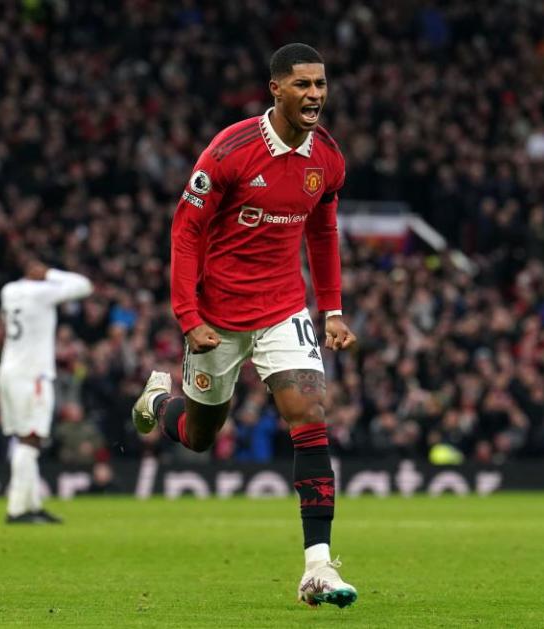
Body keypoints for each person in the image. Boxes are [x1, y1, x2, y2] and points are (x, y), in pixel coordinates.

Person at [131, 43, 358, 608]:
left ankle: (318, 567)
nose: (315, 95)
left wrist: (331, 308)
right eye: (303, 85)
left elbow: (322, 233)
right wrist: (189, 318)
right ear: (275, 88)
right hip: (217, 314)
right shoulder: (229, 151)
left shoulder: (326, 157)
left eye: (321, 85)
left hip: (283, 307)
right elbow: (184, 232)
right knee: (201, 437)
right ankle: (160, 402)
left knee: (308, 412)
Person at [0, 258, 93, 523]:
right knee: (30, 438)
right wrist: (51, 273)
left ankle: (32, 505)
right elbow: (84, 285)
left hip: (8, 371)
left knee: (26, 440)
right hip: (32, 375)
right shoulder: (41, 293)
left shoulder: (9, 290)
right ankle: (17, 509)